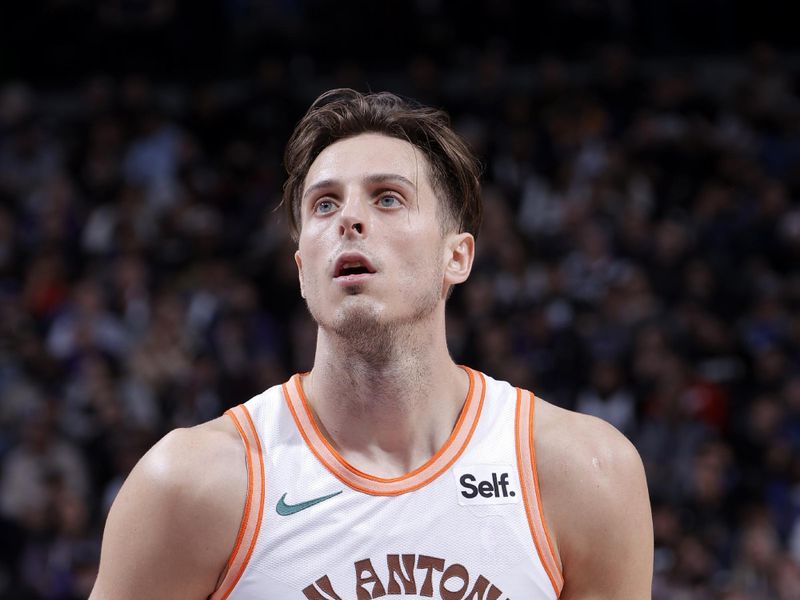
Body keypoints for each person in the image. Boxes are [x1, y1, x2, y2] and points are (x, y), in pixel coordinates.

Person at [90, 89, 653, 600]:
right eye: (325, 204)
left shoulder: (584, 471)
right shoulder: (188, 487)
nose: (349, 219)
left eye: (387, 199)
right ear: (301, 267)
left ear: (456, 257)